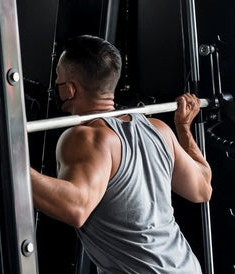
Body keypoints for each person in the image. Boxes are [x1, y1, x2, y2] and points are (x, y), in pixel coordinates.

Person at [30, 35, 212, 273]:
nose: (55, 84)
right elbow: (202, 187)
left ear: (70, 89)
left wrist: (7, 161)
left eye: (58, 79)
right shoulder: (160, 129)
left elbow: (75, 208)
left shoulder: (85, 137)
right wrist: (184, 129)